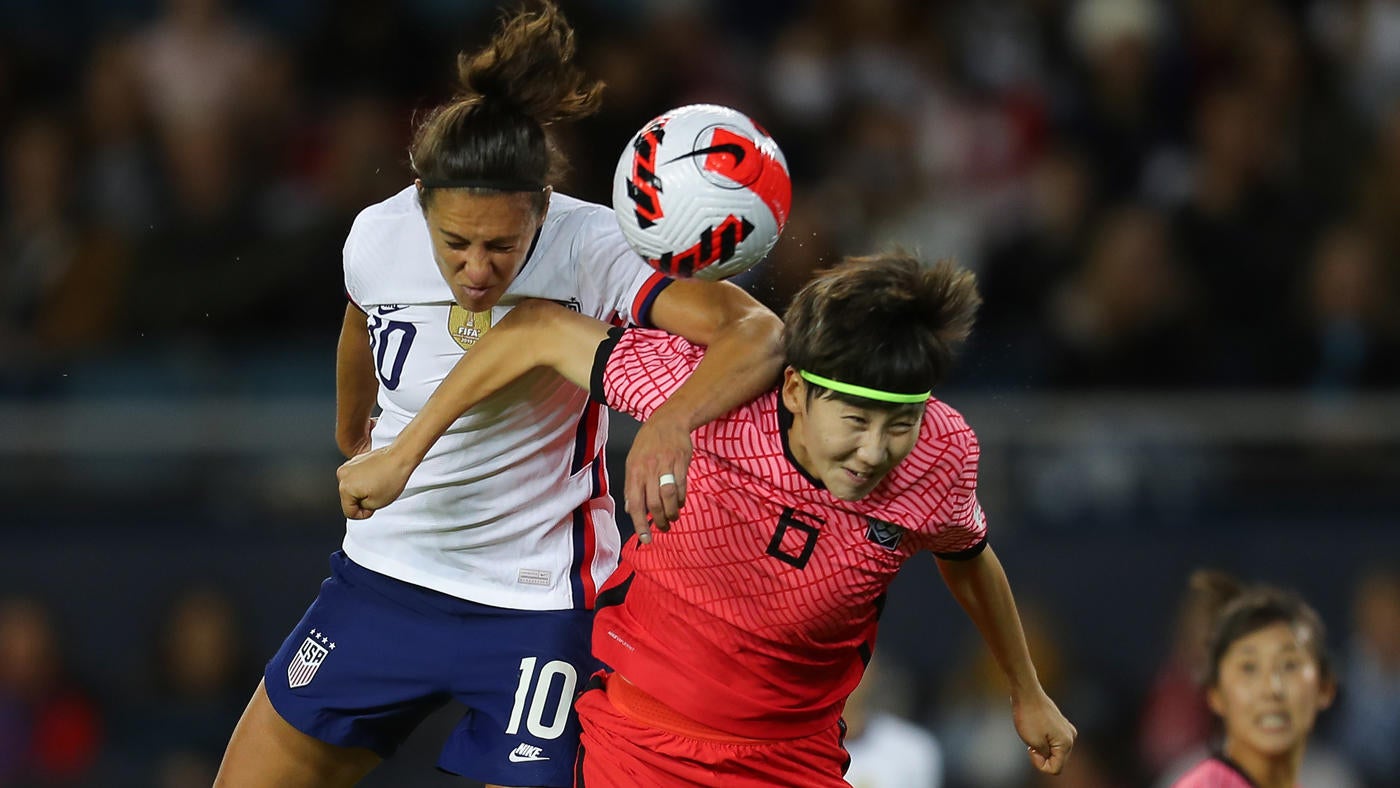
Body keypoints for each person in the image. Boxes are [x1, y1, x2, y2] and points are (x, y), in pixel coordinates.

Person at [213, 3, 783, 786]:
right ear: (422, 205)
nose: (477, 268)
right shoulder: (378, 234)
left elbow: (758, 334)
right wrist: (353, 428)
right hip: (383, 581)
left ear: (542, 210)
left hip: (538, 604)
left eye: (501, 245)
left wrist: (671, 423)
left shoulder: (593, 247)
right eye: (455, 243)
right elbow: (358, 317)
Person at [339, 251, 1077, 785]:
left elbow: (967, 554)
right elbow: (535, 329)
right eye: (855, 420)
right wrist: (404, 452)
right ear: (794, 391)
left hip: (796, 756)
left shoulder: (942, 454)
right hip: (640, 738)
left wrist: (1026, 688)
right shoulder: (706, 391)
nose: (876, 451)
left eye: (899, 425)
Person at [1171, 572, 1338, 788]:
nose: (1270, 689)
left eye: (1289, 665)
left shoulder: (1332, 779)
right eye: (1249, 668)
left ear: (1325, 688)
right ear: (1215, 694)